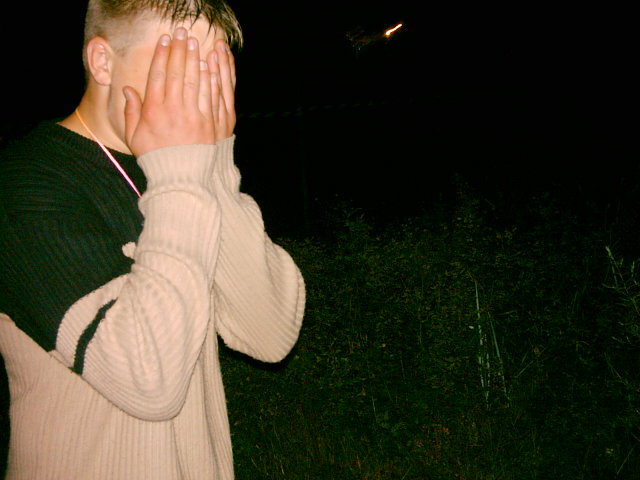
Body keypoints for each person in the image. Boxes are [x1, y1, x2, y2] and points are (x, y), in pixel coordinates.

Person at [0, 1, 305, 478]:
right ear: (103, 62)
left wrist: (214, 170)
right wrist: (183, 170)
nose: (197, 91)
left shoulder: (179, 171)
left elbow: (269, 334)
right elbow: (149, 382)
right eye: (177, 64)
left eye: (211, 69)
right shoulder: (25, 184)